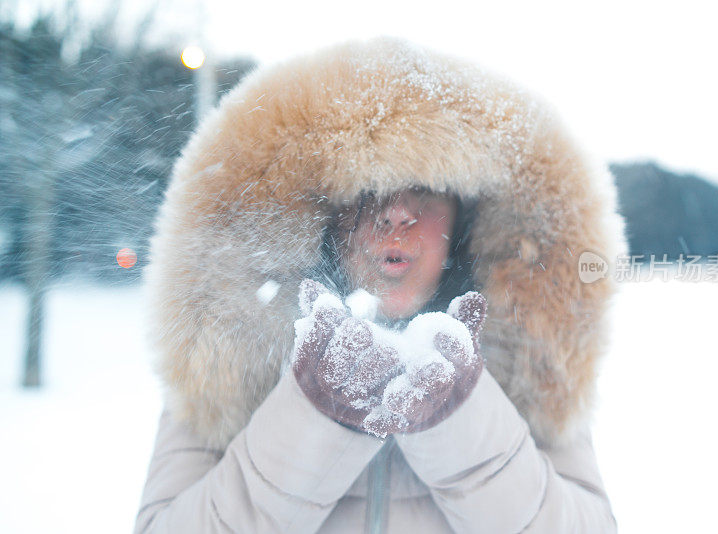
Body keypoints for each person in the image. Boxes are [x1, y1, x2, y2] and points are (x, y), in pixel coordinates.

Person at [135, 37, 626, 533]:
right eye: (368, 187)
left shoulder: (530, 366)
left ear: (468, 223)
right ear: (323, 213)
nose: (395, 212)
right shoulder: (233, 359)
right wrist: (315, 417)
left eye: (427, 186)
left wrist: (460, 422)